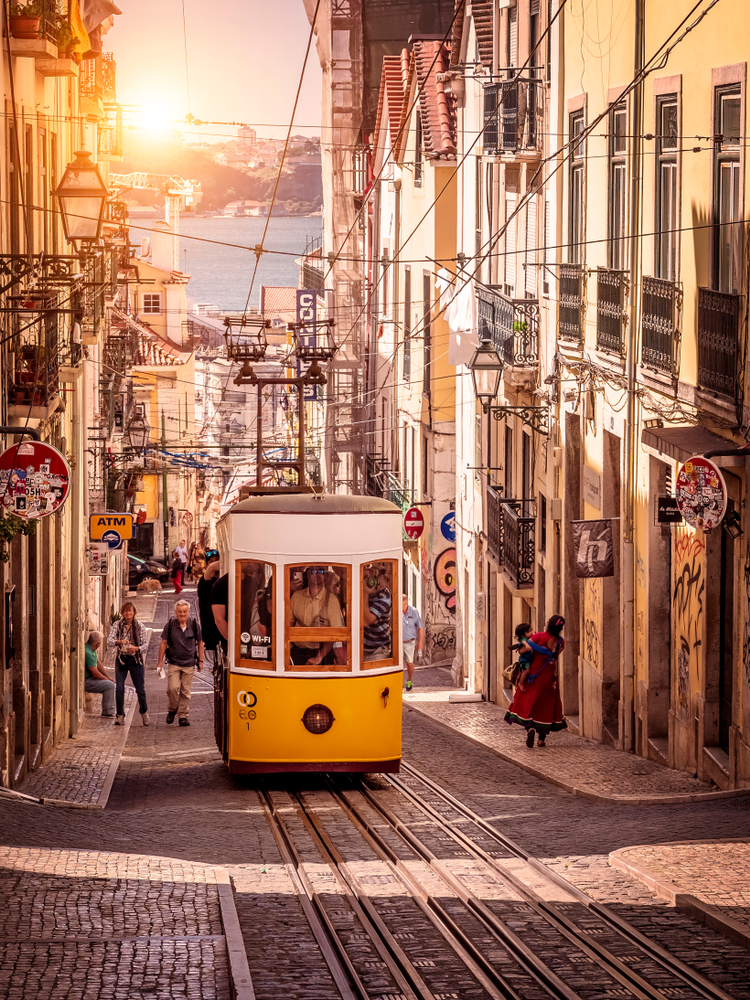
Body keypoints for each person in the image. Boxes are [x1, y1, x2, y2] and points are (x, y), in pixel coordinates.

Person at [505, 615, 567, 748]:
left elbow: (522, 650)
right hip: (550, 679)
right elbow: (554, 657)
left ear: (548, 625)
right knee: (545, 708)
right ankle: (541, 740)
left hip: (533, 676)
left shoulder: (538, 637)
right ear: (560, 628)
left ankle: (530, 729)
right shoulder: (561, 642)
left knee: (527, 704)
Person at [157, 599, 204, 727]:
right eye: (180, 612)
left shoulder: (194, 624)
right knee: (172, 688)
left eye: (184, 611)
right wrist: (160, 662)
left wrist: (200, 661)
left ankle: (183, 716)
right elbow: (163, 643)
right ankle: (172, 709)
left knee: (185, 691)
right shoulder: (170, 625)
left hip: (189, 663)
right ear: (176, 613)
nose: (182, 614)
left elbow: (200, 643)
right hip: (174, 662)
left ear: (188, 612)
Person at [289, 565, 344, 666]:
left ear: (325, 577)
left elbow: (334, 633)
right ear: (308, 574)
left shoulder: (332, 600)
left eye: (321, 571)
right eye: (313, 571)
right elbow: (289, 626)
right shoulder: (296, 596)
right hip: (297, 652)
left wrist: (319, 657)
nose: (317, 573)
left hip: (322, 654)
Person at [107, 601, 150, 726]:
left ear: (134, 612)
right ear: (122, 613)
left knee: (140, 690)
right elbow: (109, 641)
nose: (128, 613)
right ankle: (120, 715)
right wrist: (119, 642)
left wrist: (136, 649)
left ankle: (144, 711)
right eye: (125, 611)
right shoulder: (117, 625)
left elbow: (145, 645)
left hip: (136, 660)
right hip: (121, 659)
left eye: (130, 611)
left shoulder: (140, 626)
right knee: (119, 688)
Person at [363, 565, 392, 661]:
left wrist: (365, 593)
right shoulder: (365, 589)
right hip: (362, 647)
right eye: (378, 585)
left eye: (382, 586)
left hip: (378, 648)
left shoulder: (384, 597)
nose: (380, 588)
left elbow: (366, 621)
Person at [197, 550, 222, 663]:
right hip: (212, 629)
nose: (214, 563)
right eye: (211, 562)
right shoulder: (205, 582)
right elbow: (205, 605)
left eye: (216, 560)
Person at [84, 631, 115, 717]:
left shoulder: (90, 649)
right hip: (86, 681)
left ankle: (108, 710)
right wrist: (107, 680)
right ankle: (107, 712)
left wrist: (107, 677)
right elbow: (95, 673)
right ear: (98, 644)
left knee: (109, 683)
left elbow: (98, 664)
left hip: (89, 679)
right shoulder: (88, 653)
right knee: (109, 685)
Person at [401, 595, 424, 691]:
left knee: (409, 663)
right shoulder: (396, 611)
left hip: (410, 643)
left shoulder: (414, 612)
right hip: (398, 643)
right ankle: (397, 683)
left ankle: (409, 680)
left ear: (405, 603)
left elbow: (420, 627)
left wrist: (420, 643)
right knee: (397, 665)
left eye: (400, 604)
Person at [211, 571, 230, 655]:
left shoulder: (258, 578)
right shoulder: (221, 584)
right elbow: (219, 619)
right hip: (229, 642)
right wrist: (234, 643)